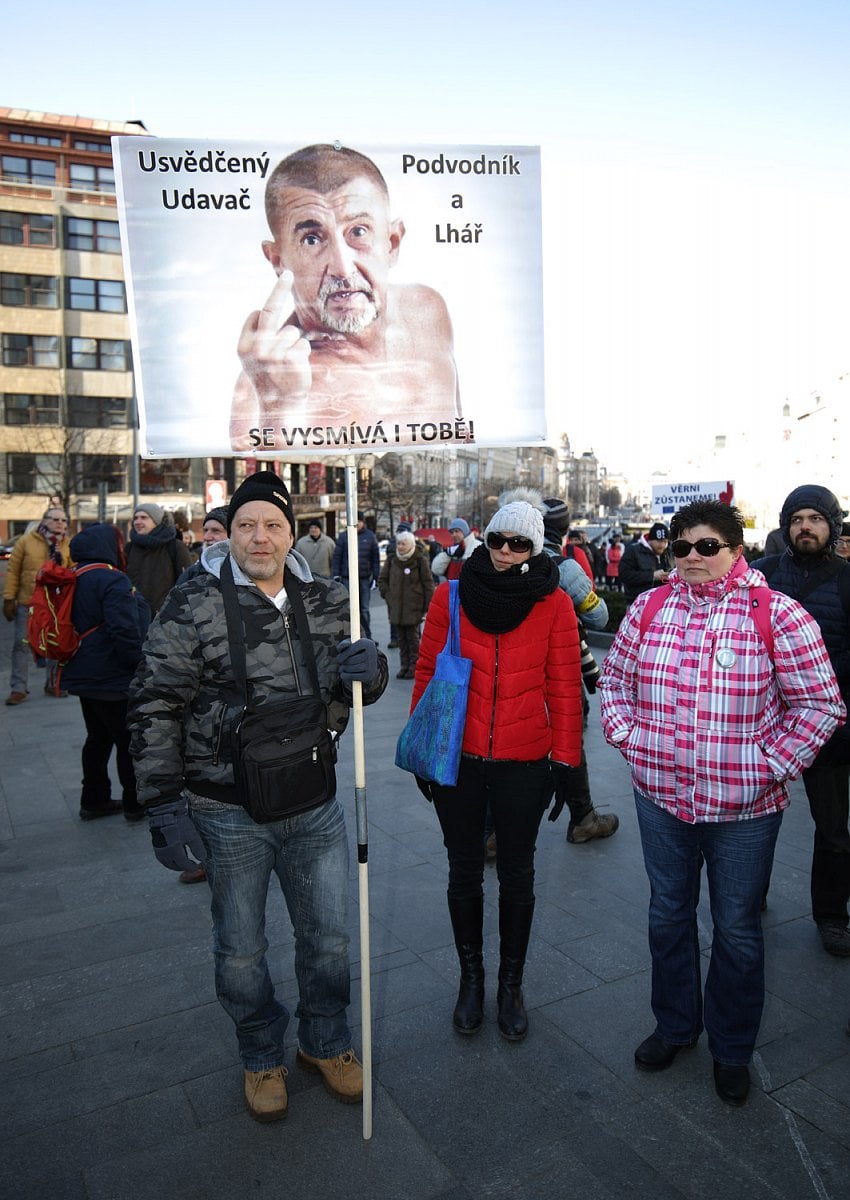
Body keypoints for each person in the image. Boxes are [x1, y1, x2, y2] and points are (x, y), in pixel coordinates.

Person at [128, 470, 388, 1122]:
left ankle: (325, 1042)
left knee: (328, 940)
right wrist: (163, 807)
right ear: (229, 533)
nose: (260, 536)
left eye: (272, 524)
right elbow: (154, 701)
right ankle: (260, 1053)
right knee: (241, 951)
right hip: (226, 809)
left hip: (314, 799)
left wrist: (373, 669)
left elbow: (360, 680)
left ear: (291, 532)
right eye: (246, 524)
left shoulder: (329, 596)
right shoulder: (193, 602)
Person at [599, 500, 844, 1107]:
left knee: (736, 931)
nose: (692, 559)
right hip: (661, 798)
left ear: (736, 550)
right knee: (667, 917)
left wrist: (770, 766)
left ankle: (732, 1048)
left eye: (707, 547)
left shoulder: (777, 614)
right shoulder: (651, 608)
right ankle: (676, 1026)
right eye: (682, 547)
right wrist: (629, 739)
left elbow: (820, 705)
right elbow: (615, 683)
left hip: (745, 811)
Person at [412, 498, 583, 1042]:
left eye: (520, 544)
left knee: (517, 873)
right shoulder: (452, 594)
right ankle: (471, 980)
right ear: (485, 540)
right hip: (458, 760)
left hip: (525, 762)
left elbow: (564, 687)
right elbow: (426, 670)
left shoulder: (554, 603)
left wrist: (565, 763)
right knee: (463, 870)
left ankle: (511, 985)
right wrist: (423, 745)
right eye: (498, 541)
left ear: (537, 548)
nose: (507, 553)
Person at [229, 144, 460, 450]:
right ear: (277, 259)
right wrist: (280, 409)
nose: (342, 267)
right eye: (312, 239)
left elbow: (461, 436)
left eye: (359, 232)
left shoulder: (427, 310)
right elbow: (269, 492)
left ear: (392, 243)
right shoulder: (262, 388)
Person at [751, 485, 850, 957]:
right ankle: (750, 897)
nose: (805, 526)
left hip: (828, 732)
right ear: (786, 525)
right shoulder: (762, 575)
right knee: (753, 818)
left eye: (815, 518)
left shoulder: (848, 581)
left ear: (831, 525)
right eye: (797, 518)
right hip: (764, 725)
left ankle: (831, 915)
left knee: (832, 829)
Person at [536, 494, 619, 844]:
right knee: (567, 737)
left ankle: (493, 831)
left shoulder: (497, 558)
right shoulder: (564, 565)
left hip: (507, 667)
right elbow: (599, 616)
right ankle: (583, 817)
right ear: (565, 529)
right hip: (560, 665)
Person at [62, 524, 150, 824]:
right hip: (112, 676)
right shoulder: (112, 579)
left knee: (97, 737)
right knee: (128, 739)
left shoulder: (73, 578)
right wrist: (139, 664)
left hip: (82, 672)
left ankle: (94, 799)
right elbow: (123, 628)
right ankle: (135, 802)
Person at [3, 505, 71, 705]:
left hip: (55, 605)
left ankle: (52, 683)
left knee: (54, 645)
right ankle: (18, 688)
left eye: (64, 520)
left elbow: (73, 572)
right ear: (44, 521)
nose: (60, 523)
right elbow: (13, 571)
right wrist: (9, 598)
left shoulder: (68, 544)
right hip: (28, 602)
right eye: (55, 519)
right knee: (21, 644)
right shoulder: (26, 541)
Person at [378, 530, 435, 678]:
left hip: (414, 606)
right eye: (398, 543)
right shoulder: (392, 560)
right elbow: (382, 580)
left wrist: (428, 605)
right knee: (401, 639)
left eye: (403, 543)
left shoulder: (419, 560)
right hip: (396, 606)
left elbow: (428, 584)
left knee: (413, 638)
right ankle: (404, 665)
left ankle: (415, 666)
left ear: (410, 545)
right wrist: (388, 595)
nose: (400, 546)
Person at [126, 503, 192, 615]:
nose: (138, 522)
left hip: (166, 619)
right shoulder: (129, 548)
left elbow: (187, 584)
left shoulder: (175, 547)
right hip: (135, 617)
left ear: (156, 521)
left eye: (144, 518)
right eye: (135, 518)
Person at [331, 512, 381, 640]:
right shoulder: (343, 537)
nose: (357, 523)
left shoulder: (370, 537)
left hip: (364, 577)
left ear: (363, 522)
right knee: (348, 608)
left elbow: (375, 558)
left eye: (360, 521)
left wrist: (376, 577)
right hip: (347, 577)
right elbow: (337, 557)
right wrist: (336, 574)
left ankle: (367, 637)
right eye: (355, 521)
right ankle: (350, 636)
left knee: (364, 609)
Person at [619, 521, 673, 603]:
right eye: (659, 541)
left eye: (665, 541)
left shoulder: (669, 552)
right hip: (637, 602)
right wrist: (652, 576)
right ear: (650, 540)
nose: (662, 545)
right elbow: (624, 575)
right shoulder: (633, 551)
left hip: (663, 602)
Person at [176, 505, 230, 587]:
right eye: (205, 530)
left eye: (216, 531)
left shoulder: (249, 571)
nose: (206, 537)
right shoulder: (192, 574)